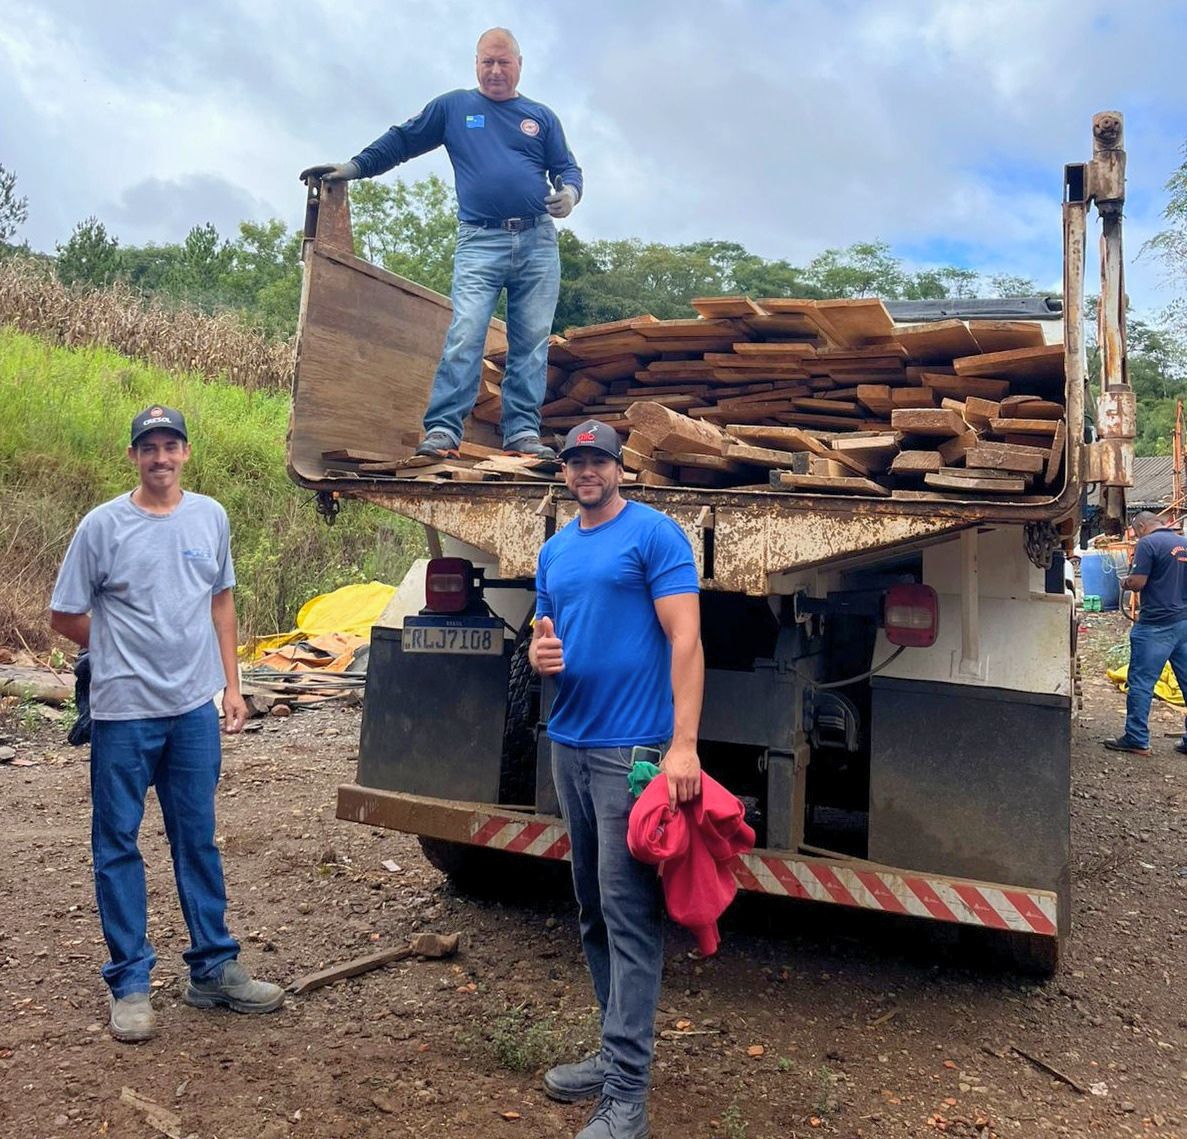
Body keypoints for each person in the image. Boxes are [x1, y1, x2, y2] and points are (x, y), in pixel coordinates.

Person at [49, 405, 284, 1043]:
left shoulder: (210, 516)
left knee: (197, 837)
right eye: (147, 447)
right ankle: (129, 981)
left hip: (192, 711)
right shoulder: (102, 526)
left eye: (170, 446)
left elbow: (222, 600)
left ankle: (212, 968)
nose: (160, 458)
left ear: (185, 453)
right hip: (124, 711)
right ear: (133, 457)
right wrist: (120, 644)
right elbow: (65, 615)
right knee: (117, 843)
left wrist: (234, 686)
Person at [529, 419, 704, 1139]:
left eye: (597, 459)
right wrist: (540, 650)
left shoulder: (654, 535)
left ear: (619, 468)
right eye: (575, 461)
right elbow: (546, 628)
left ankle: (627, 1096)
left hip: (631, 749)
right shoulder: (554, 548)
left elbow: (685, 638)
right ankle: (611, 1053)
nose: (586, 470)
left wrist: (683, 746)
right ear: (565, 472)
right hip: (567, 743)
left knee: (628, 913)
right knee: (592, 909)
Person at [299, 27, 582, 462]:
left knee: (531, 340)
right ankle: (443, 430)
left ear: (519, 65)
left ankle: (522, 432)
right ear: (475, 63)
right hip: (480, 240)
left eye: (503, 62)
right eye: (487, 61)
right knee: (466, 332)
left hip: (537, 241)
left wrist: (569, 195)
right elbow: (403, 140)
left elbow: (567, 169)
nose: (495, 70)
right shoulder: (454, 108)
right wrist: (354, 166)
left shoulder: (540, 117)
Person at [1104, 511, 1187, 756]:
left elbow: (1138, 582)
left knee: (1141, 683)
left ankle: (1137, 738)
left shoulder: (1148, 543)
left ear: (1140, 526)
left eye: (1135, 531)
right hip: (1183, 623)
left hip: (1155, 626)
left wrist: (1125, 582)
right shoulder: (1183, 543)